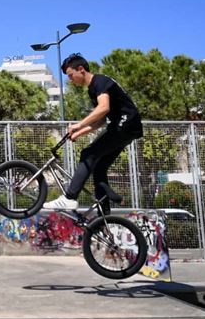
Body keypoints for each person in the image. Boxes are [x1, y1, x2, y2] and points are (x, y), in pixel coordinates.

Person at [43, 53, 142, 214]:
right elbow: (101, 120)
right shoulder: (93, 89)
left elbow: (104, 108)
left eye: (70, 75)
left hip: (126, 124)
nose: (70, 80)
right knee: (99, 167)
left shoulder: (99, 82)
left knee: (88, 154)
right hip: (122, 127)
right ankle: (105, 215)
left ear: (81, 69)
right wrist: (80, 132)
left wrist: (79, 124)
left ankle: (69, 197)